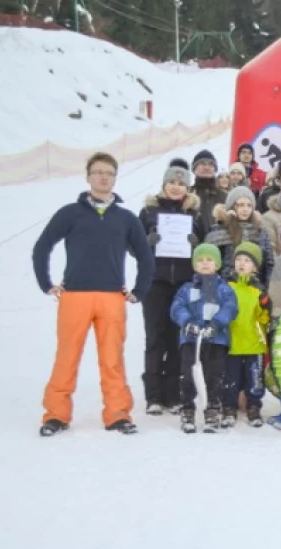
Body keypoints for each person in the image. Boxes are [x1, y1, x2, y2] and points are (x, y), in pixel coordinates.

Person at [34, 152, 155, 436]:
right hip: (75, 296)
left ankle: (117, 415)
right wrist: (46, 283)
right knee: (67, 357)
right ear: (88, 176)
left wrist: (139, 290)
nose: (104, 177)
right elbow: (42, 246)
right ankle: (56, 414)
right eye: (98, 172)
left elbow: (145, 256)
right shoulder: (70, 213)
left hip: (111, 297)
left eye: (109, 173)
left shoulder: (125, 218)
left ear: (115, 178)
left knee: (112, 360)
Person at [138, 163, 206, 415]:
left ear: (188, 188)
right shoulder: (148, 212)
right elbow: (132, 247)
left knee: (179, 337)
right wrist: (147, 242)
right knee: (156, 337)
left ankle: (173, 393)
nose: (177, 187)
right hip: (155, 282)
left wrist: (196, 244)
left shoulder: (195, 215)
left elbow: (206, 251)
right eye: (172, 183)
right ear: (164, 185)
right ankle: (153, 395)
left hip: (184, 285)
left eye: (182, 184)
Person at [169, 244, 239, 434]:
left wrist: (216, 324)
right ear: (194, 265)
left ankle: (212, 408)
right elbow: (177, 307)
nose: (205, 264)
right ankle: (188, 409)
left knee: (214, 375)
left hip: (216, 340)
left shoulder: (224, 289)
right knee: (188, 374)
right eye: (200, 260)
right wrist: (188, 322)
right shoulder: (187, 288)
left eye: (209, 260)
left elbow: (230, 307)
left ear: (216, 264)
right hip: (191, 340)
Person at [222, 241, 270, 429]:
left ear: (255, 267)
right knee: (230, 378)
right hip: (232, 342)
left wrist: (266, 307)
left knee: (254, 379)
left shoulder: (259, 290)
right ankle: (229, 407)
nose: (242, 263)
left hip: (254, 343)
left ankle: (254, 407)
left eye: (247, 260)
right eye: (238, 259)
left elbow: (263, 319)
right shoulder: (226, 287)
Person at [206, 186, 273, 284]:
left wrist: (266, 287)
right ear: (232, 206)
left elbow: (268, 263)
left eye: (249, 205)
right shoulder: (219, 230)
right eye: (241, 205)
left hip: (254, 287)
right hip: (226, 285)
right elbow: (210, 259)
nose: (245, 209)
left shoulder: (260, 232)